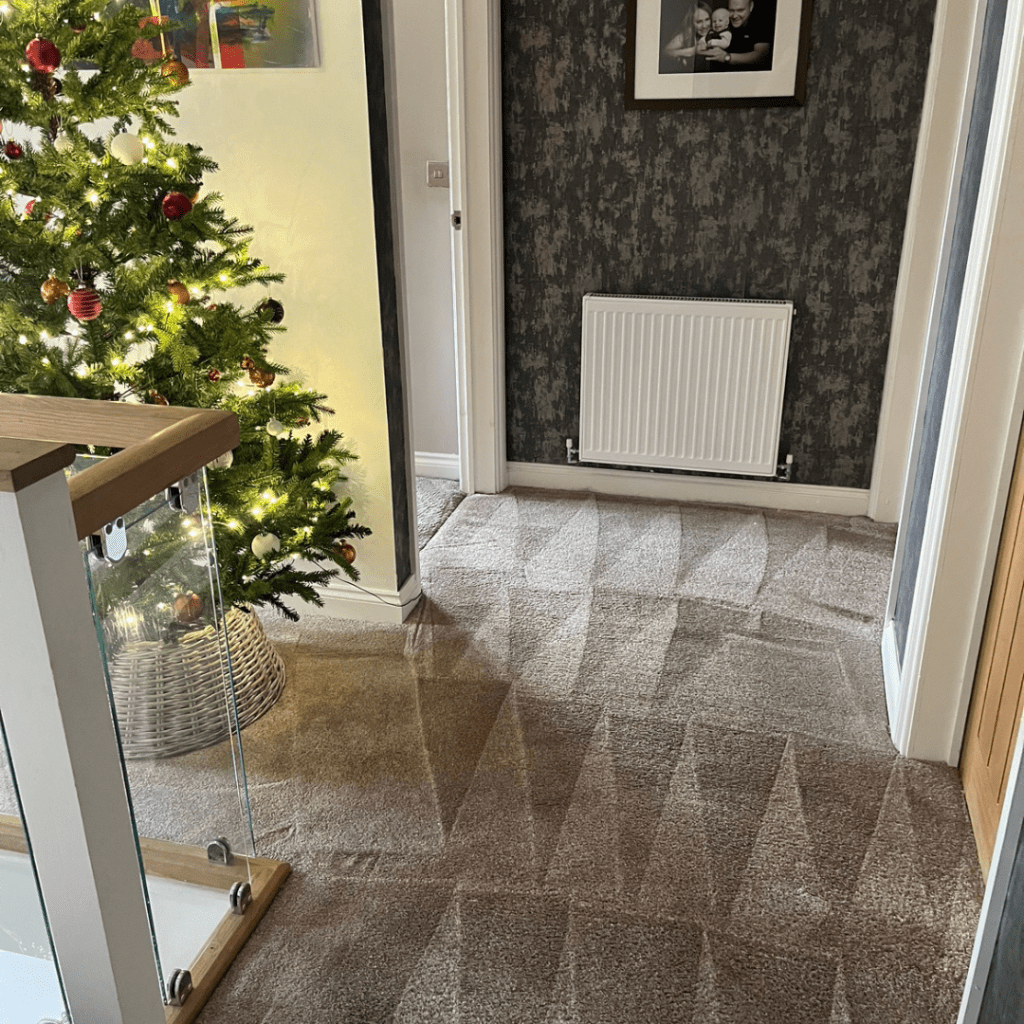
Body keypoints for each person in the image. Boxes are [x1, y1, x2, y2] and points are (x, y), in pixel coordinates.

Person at [704, 0, 772, 70]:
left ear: (751, 6)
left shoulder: (761, 23)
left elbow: (761, 55)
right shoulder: (724, 21)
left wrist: (726, 57)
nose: (734, 16)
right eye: (731, 10)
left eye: (740, 10)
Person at [662, 3, 713, 73]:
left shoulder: (718, 31)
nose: (704, 25)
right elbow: (665, 52)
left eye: (707, 19)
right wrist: (693, 50)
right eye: (699, 22)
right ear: (691, 23)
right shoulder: (687, 34)